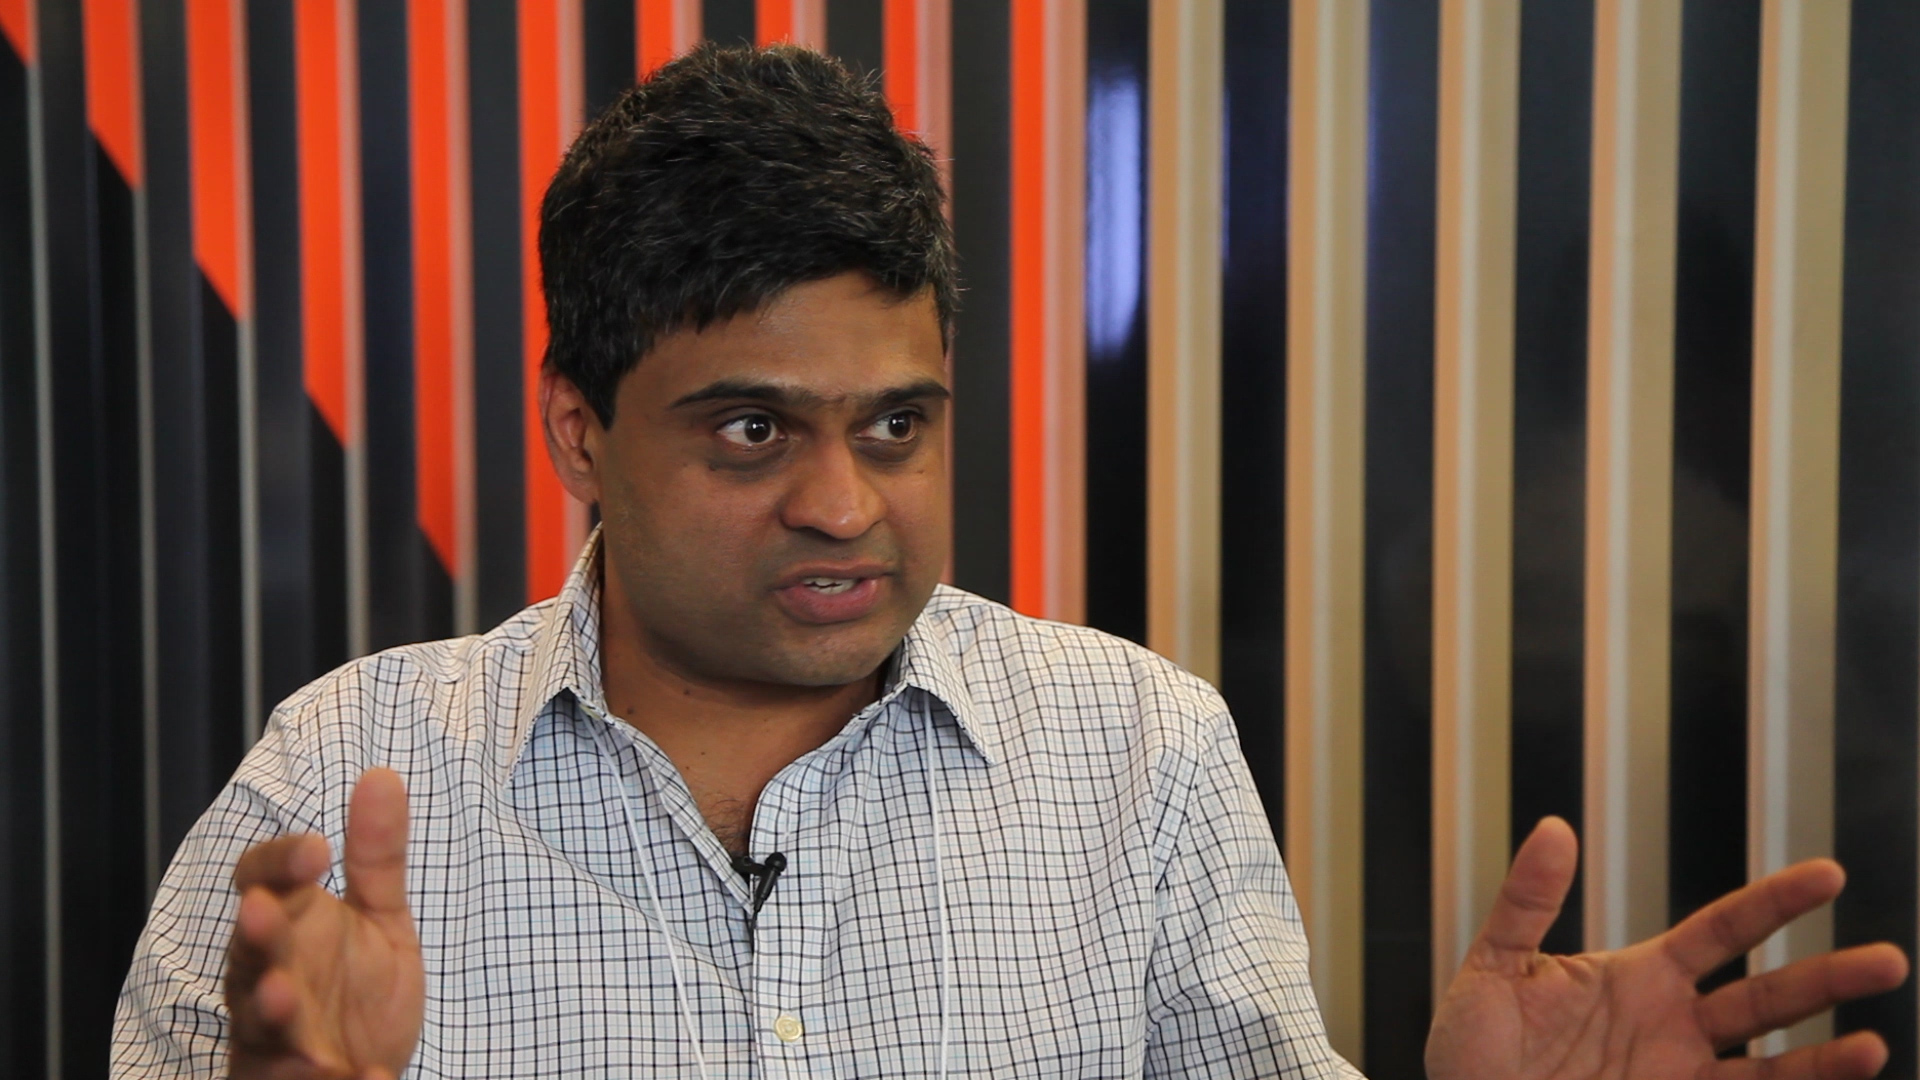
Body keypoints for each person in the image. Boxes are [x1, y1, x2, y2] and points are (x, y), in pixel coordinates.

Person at [113, 43, 1907, 1079]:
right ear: (580, 429)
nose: (846, 504)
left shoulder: (1139, 751)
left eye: (896, 425)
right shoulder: (352, 777)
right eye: (754, 432)